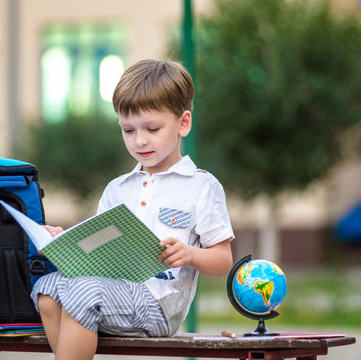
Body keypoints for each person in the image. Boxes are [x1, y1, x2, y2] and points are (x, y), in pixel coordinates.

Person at [32, 59, 234, 360]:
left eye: (152, 128)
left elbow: (223, 260)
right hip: (111, 290)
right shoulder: (118, 188)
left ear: (183, 123)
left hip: (159, 304)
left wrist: (190, 254)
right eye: (128, 130)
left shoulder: (201, 186)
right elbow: (99, 248)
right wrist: (69, 240)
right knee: (47, 289)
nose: (140, 140)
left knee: (83, 292)